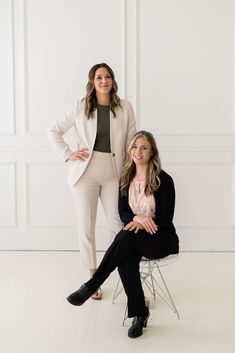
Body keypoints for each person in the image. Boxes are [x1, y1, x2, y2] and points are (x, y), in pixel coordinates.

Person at [66, 130, 179, 338]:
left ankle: (93, 284)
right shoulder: (126, 179)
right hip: (135, 239)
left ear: (152, 151)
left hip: (160, 239)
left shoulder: (165, 180)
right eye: (135, 147)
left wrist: (145, 222)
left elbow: (166, 218)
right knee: (126, 256)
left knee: (125, 237)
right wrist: (136, 219)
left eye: (144, 147)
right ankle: (139, 315)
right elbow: (124, 213)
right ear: (130, 151)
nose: (138, 151)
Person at [47, 63, 136, 300]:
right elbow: (53, 130)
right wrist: (68, 153)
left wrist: (134, 173)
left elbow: (131, 142)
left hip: (113, 175)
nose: (104, 81)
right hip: (84, 175)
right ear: (92, 82)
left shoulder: (125, 107)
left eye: (107, 76)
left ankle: (130, 284)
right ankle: (93, 279)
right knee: (86, 228)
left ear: (112, 80)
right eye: (99, 77)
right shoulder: (80, 107)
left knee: (119, 227)